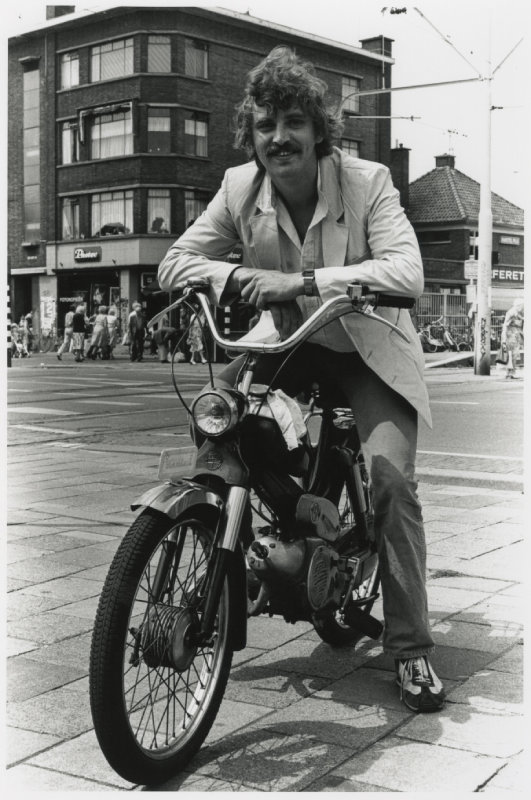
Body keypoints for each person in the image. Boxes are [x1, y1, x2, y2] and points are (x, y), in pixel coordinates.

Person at [158, 46, 444, 713]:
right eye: (264, 125)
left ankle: (410, 651)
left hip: (366, 348)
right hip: (285, 344)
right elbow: (176, 262)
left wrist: (303, 281)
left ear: (319, 129)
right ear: (250, 136)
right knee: (216, 424)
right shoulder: (239, 190)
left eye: (292, 121)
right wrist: (232, 276)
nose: (278, 137)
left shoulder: (367, 181)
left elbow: (406, 273)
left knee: (391, 483)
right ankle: (225, 585)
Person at [501, 298, 524, 379]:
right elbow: (506, 325)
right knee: (510, 355)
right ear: (518, 305)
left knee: (513, 355)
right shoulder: (511, 312)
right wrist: (504, 338)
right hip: (510, 336)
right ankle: (509, 372)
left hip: (515, 336)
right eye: (522, 305)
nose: (523, 307)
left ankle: (511, 372)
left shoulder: (519, 313)